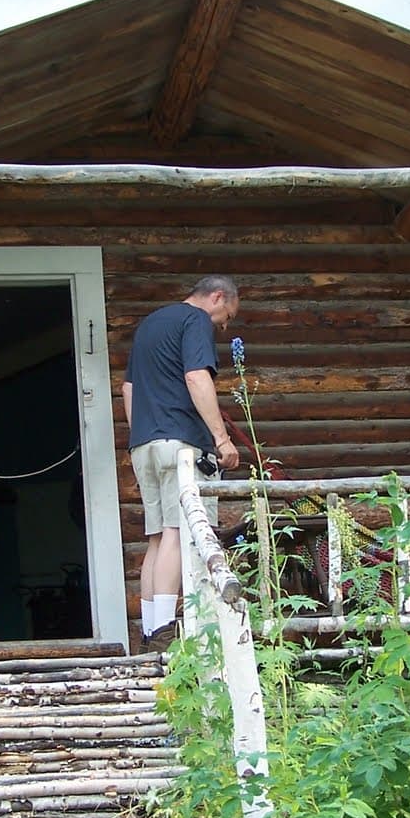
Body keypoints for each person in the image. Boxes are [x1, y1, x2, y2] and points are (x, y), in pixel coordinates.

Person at [122, 275, 242, 648]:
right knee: (177, 531)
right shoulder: (196, 321)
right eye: (227, 316)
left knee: (157, 537)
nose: (224, 325)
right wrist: (222, 439)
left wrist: (144, 433)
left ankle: (149, 629)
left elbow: (128, 388)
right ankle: (163, 633)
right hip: (182, 444)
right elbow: (195, 376)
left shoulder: (150, 324)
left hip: (144, 443)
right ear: (217, 297)